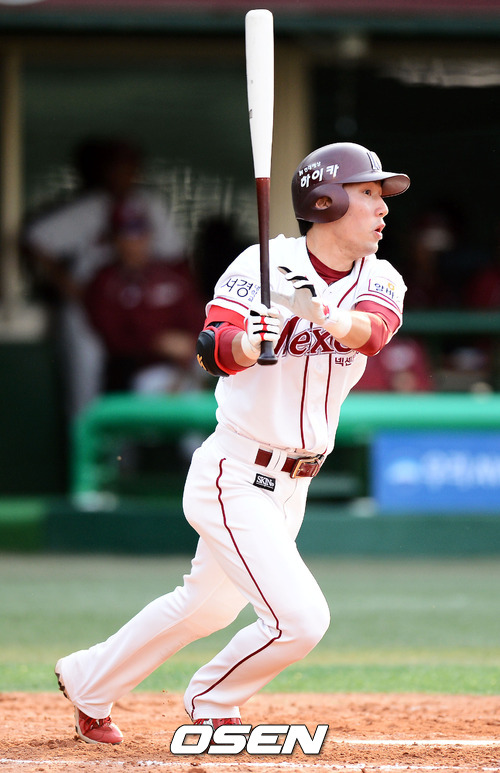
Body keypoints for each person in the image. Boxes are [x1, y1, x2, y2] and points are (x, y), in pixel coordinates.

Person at [54, 141, 410, 746]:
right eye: (369, 194)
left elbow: (372, 334)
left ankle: (87, 679)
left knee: (206, 608)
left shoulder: (381, 277)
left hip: (294, 484)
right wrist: (250, 343)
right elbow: (211, 346)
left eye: (382, 197)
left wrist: (315, 312)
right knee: (300, 620)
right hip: (236, 473)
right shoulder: (260, 264)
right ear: (326, 201)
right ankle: (212, 700)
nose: (383, 210)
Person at [23, 137, 187, 418]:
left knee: (144, 377)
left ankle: (130, 444)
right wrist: (72, 288)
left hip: (137, 306)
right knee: (86, 383)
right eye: (116, 167)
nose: (124, 174)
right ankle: (85, 443)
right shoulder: (89, 207)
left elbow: (177, 257)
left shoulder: (148, 204)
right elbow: (34, 240)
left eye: (130, 166)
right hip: (89, 306)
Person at [84, 201, 204, 395]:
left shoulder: (172, 275)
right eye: (127, 235)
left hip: (185, 367)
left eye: (140, 233)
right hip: (134, 372)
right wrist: (157, 342)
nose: (135, 242)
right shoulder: (104, 282)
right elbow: (113, 339)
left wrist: (189, 346)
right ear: (114, 240)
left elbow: (196, 319)